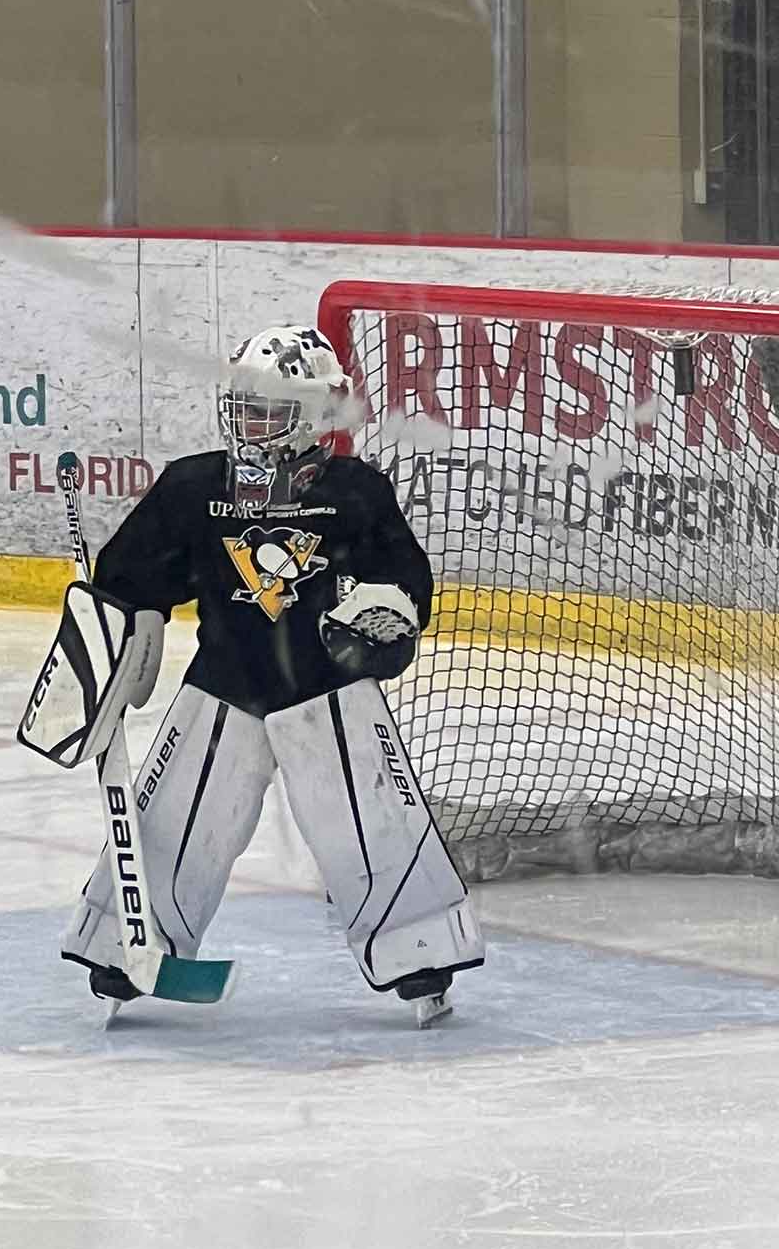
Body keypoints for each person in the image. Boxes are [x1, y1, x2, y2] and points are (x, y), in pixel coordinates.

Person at [57, 325, 483, 1025]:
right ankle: (124, 946)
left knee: (371, 821)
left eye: (271, 409)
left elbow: (403, 586)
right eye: (245, 406)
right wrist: (126, 621)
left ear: (315, 413)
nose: (251, 423)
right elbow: (131, 576)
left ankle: (422, 949)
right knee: (172, 823)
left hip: (328, 691)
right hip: (222, 687)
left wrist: (386, 620)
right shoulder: (195, 487)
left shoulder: (355, 493)